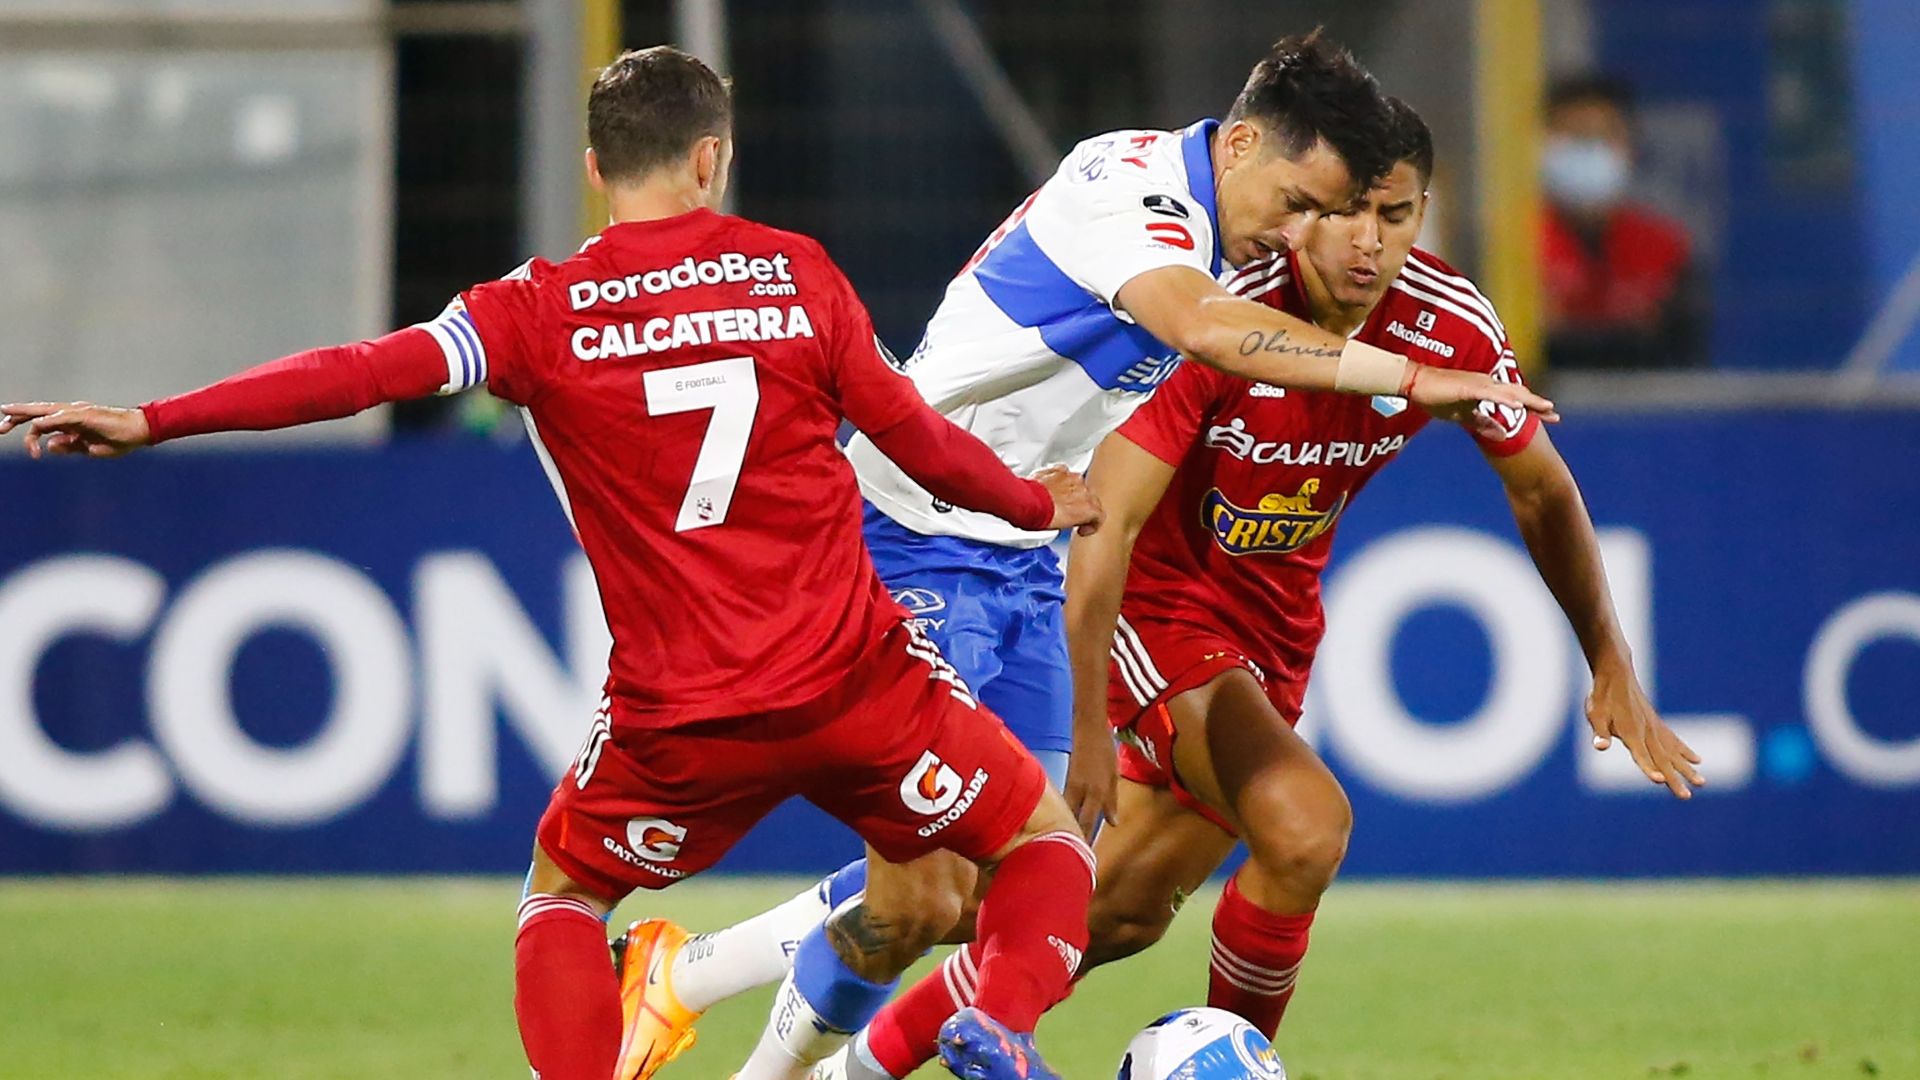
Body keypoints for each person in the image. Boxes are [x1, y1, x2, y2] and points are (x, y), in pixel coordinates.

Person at [0, 47, 1111, 1080]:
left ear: (594, 170)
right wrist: (1030, 499)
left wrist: (155, 418)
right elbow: (917, 443)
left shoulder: (531, 313)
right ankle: (998, 1021)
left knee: (566, 898)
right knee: (1041, 843)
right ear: (711, 156)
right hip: (857, 682)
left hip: (681, 721)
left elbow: (353, 373)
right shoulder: (795, 274)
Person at [611, 32, 1557, 1080]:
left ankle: (691, 982)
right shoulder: (1131, 190)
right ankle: (710, 998)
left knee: (994, 886)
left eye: (1324, 215)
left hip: (1016, 546)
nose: (1298, 233)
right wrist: (1406, 375)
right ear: (1240, 143)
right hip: (907, 530)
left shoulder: (1231, 235)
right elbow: (1201, 329)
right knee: (936, 889)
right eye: (1295, 201)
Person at [1061, 98, 1706, 1040]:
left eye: (1394, 217)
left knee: (1104, 914)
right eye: (1341, 211)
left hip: (1267, 640)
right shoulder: (1227, 309)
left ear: (1423, 213)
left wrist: (1607, 657)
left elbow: (1542, 492)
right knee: (1304, 824)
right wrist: (1084, 712)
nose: (1366, 243)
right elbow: (1108, 516)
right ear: (1301, 206)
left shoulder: (1451, 326)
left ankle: (862, 1049)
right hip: (1154, 615)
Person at [1539, 73, 1703, 370]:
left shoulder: (1664, 246)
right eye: (1575, 136)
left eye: (1602, 136)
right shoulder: (1516, 244)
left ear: (1630, 147)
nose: (1588, 150)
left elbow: (1684, 354)